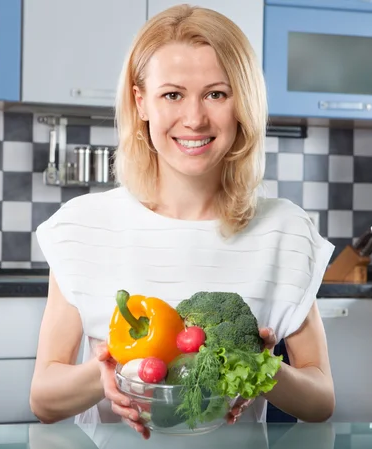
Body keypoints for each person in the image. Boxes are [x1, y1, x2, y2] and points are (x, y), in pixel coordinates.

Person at [30, 3, 336, 440]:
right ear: (142, 102)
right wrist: (105, 375)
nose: (194, 118)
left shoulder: (284, 231)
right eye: (172, 94)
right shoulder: (84, 226)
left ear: (241, 103)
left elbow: (322, 400)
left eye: (217, 93)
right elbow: (43, 399)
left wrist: (263, 371)